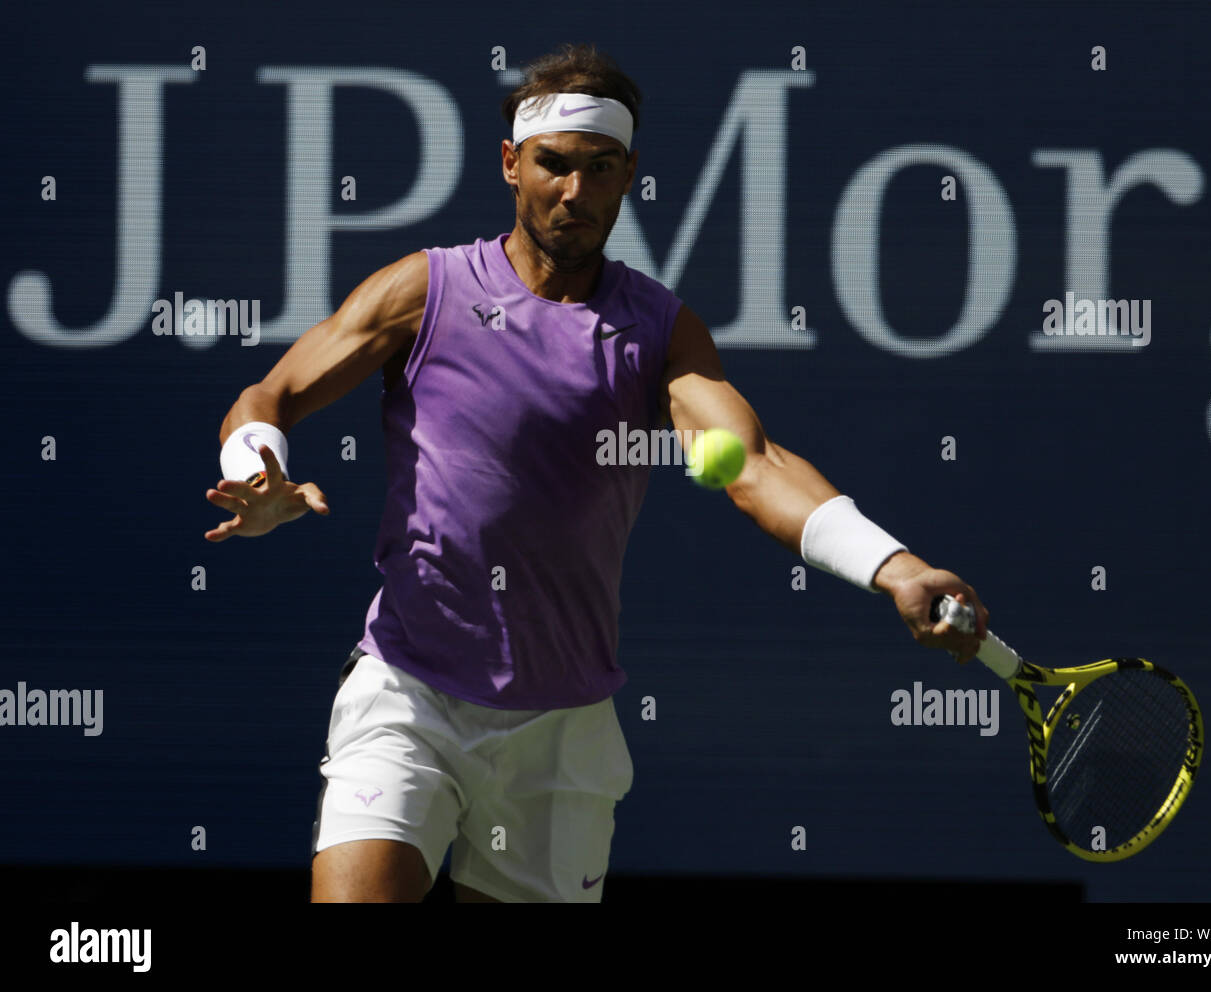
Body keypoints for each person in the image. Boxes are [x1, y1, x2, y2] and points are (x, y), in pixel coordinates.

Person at [203, 42, 988, 903]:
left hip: (562, 731)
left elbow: (749, 464)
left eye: (600, 168)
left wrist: (895, 565)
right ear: (511, 163)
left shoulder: (659, 332)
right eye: (553, 165)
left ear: (629, 176)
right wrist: (260, 468)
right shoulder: (423, 293)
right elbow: (266, 396)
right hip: (408, 694)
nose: (574, 192)